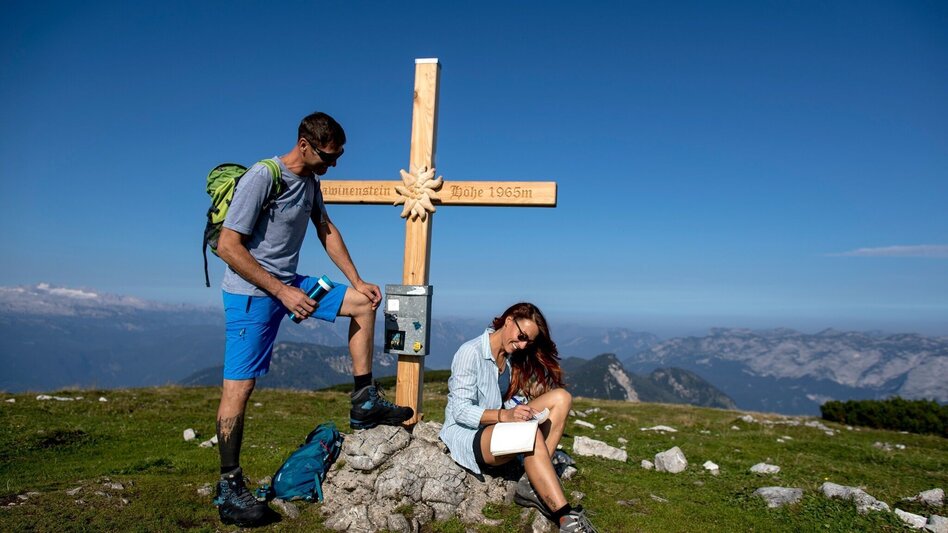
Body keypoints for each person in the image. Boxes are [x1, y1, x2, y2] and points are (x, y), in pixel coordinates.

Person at [212, 111, 413, 527]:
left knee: (362, 302)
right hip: (251, 292)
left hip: (290, 282)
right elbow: (228, 247)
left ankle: (363, 401)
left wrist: (357, 279)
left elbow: (325, 228)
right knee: (240, 386)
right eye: (328, 156)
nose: (333, 164)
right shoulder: (262, 177)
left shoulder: (310, 182)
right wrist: (282, 291)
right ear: (304, 143)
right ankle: (229, 486)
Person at [440, 302, 598, 533]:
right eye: (521, 336)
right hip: (468, 433)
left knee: (562, 398)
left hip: (496, 426)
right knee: (529, 433)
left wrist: (521, 408)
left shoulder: (509, 357)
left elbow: (502, 398)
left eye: (528, 341)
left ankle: (531, 483)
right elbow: (460, 411)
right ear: (508, 320)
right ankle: (565, 518)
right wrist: (506, 415)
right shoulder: (470, 352)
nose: (522, 345)